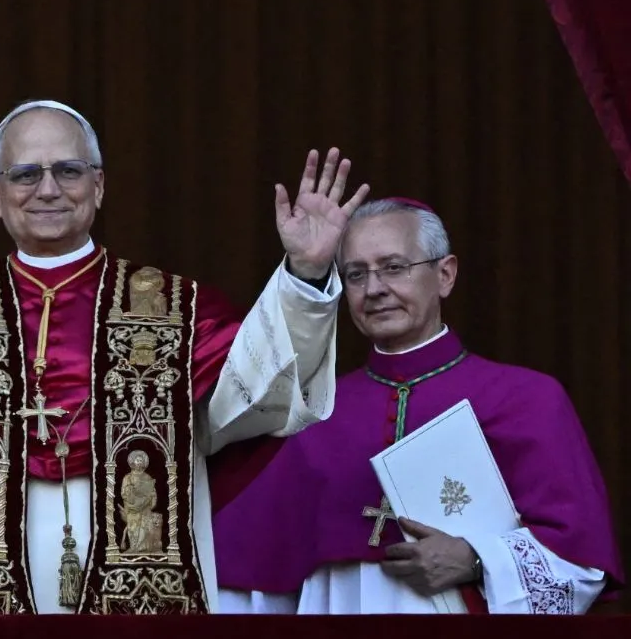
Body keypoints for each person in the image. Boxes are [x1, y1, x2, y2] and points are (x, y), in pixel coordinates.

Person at [0, 99, 369, 615]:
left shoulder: (176, 310)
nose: (47, 189)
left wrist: (306, 273)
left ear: (99, 186)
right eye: (24, 174)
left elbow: (262, 389)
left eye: (69, 170)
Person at [213, 197, 623, 614]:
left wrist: (476, 558)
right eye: (356, 274)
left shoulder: (527, 398)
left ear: (444, 275)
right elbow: (253, 578)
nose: (374, 289)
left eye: (394, 267)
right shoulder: (314, 413)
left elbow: (578, 563)